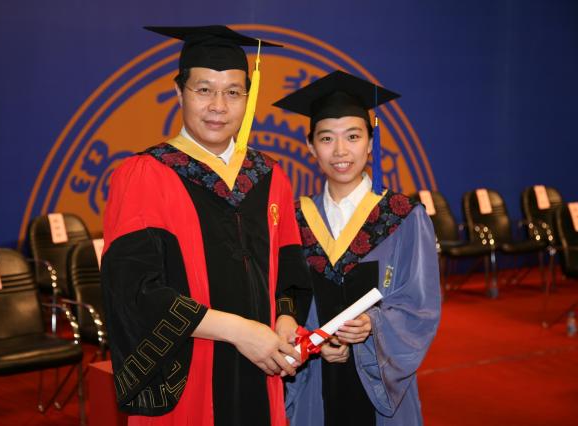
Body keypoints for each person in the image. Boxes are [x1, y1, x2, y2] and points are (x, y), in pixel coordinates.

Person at [100, 25, 311, 426]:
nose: (218, 106)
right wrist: (240, 331)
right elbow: (133, 291)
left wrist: (285, 320)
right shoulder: (145, 175)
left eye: (233, 92)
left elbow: (288, 272)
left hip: (262, 364)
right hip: (189, 370)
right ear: (179, 92)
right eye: (204, 90)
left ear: (248, 98)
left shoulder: (269, 177)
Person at [273, 70, 441, 425]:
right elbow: (282, 296)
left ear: (370, 142)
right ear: (310, 146)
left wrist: (372, 327)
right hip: (315, 382)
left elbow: (420, 308)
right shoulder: (294, 219)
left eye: (353, 136)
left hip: (379, 394)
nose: (340, 151)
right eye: (326, 138)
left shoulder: (403, 216)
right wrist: (314, 341)